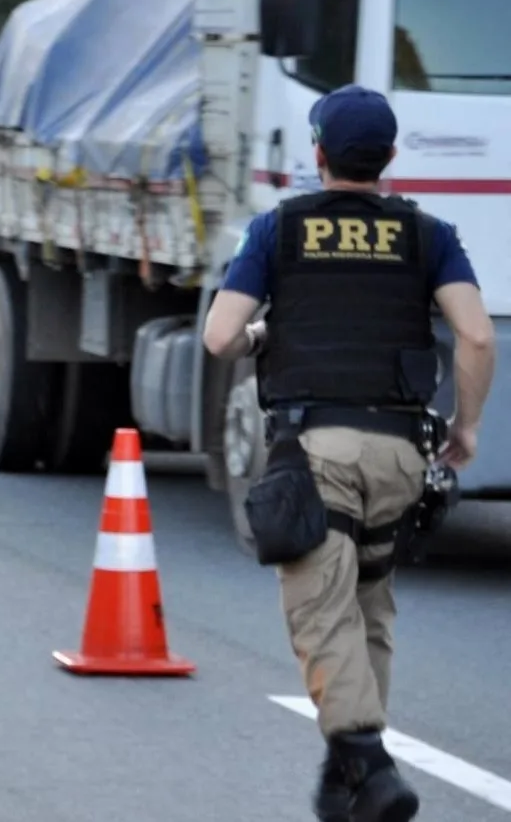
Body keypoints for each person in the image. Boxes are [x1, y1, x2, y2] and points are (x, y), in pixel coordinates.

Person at [203, 85, 492, 822]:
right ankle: (344, 789)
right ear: (389, 158)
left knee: (319, 610)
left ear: (318, 154)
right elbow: (477, 335)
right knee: (367, 605)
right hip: (400, 452)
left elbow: (218, 336)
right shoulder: (428, 234)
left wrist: (261, 338)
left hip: (315, 454)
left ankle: (367, 761)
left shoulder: (278, 229)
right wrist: (466, 427)